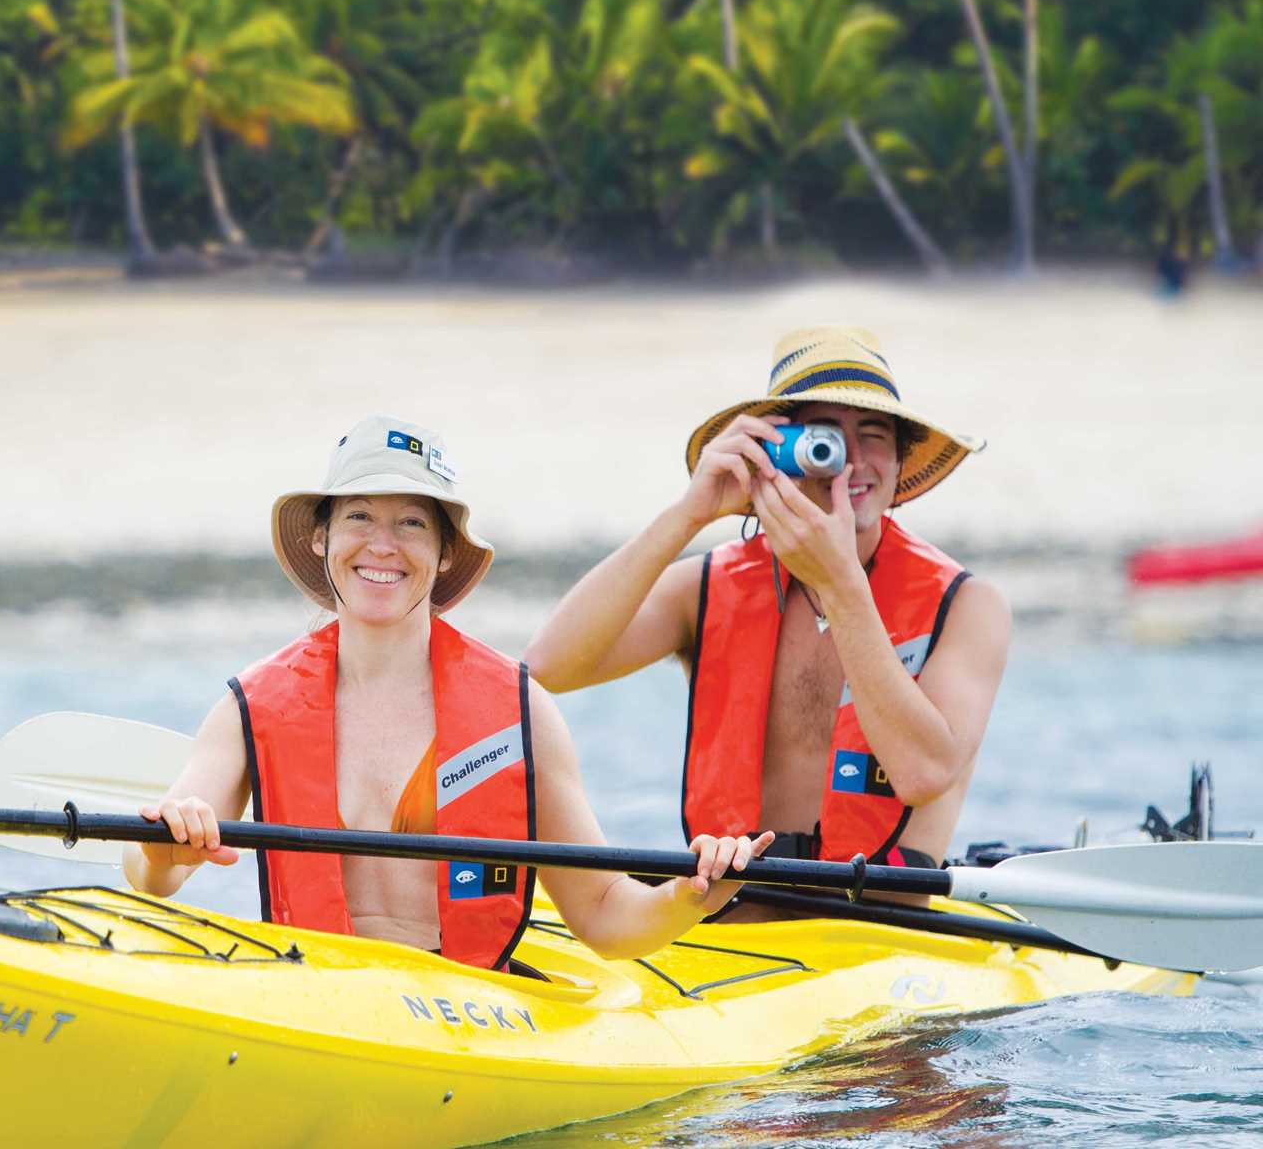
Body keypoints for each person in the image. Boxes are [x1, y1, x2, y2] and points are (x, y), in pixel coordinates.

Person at [122, 415, 772, 969]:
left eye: (411, 523)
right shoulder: (251, 706)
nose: (382, 544)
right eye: (358, 516)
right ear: (321, 538)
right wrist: (160, 846)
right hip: (318, 995)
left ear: (441, 553)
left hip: (467, 1012)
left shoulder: (519, 711)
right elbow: (157, 875)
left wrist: (691, 895)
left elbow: (603, 915)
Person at [524, 327, 1010, 909]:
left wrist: (841, 587)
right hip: (733, 917)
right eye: (823, 437)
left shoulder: (968, 603)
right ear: (775, 450)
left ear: (901, 462)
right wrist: (688, 514)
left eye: (873, 435)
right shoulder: (707, 587)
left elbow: (924, 772)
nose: (849, 461)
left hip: (884, 924)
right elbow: (545, 669)